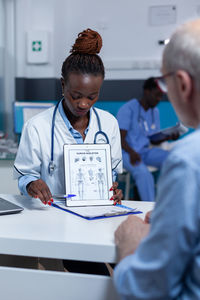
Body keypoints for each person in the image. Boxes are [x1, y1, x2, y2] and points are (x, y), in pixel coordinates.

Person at [13, 28, 123, 273]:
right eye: (76, 96)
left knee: (127, 261)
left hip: (99, 220)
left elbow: (112, 174)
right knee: (93, 273)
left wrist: (113, 189)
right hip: (56, 222)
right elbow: (25, 175)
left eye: (92, 97)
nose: (83, 104)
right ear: (63, 85)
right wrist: (33, 184)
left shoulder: (109, 124)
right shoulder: (37, 127)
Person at [114, 19, 200, 299]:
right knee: (140, 170)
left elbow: (149, 286)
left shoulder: (187, 161)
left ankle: (150, 210)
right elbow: (124, 136)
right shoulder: (130, 108)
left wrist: (129, 244)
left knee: (165, 160)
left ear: (183, 85)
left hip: (148, 149)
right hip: (131, 153)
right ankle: (151, 205)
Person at [117, 77, 173, 201]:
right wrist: (132, 152)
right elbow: (119, 138)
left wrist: (168, 136)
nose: (158, 99)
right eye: (157, 95)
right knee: (143, 174)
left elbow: (153, 139)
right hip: (126, 152)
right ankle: (151, 211)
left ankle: (172, 201)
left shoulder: (155, 111)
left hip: (145, 151)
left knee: (173, 158)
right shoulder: (128, 109)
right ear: (147, 92)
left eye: (161, 97)